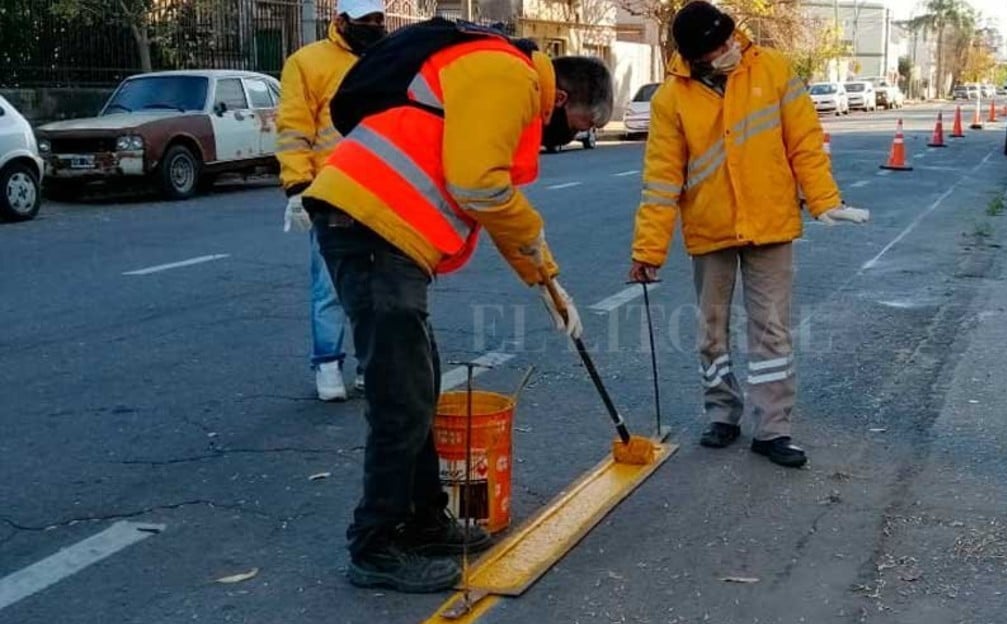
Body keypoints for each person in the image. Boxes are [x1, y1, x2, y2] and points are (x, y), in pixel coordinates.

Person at [302, 17, 611, 593]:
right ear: (561, 99)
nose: (573, 136)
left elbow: (480, 186)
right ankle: (375, 545)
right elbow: (480, 186)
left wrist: (544, 280)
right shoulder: (509, 76)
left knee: (419, 386)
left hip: (381, 232)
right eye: (579, 125)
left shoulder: (504, 74)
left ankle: (423, 521)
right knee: (401, 398)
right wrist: (541, 261)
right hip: (369, 227)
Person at [628, 1, 870, 469]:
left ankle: (773, 429)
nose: (729, 49)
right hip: (710, 228)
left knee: (771, 331)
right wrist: (648, 252)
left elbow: (804, 141)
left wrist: (824, 200)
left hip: (770, 223)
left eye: (728, 39)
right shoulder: (670, 100)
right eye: (716, 47)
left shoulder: (773, 69)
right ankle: (722, 414)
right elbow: (660, 181)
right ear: (694, 57)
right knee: (711, 331)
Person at [277, 0, 386, 402]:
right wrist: (296, 187)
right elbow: (293, 128)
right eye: (365, 20)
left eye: (378, 20)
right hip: (331, 193)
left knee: (379, 285)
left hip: (382, 191)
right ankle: (327, 365)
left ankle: (370, 366)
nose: (374, 26)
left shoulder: (386, 59)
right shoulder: (307, 63)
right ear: (340, 20)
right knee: (331, 285)